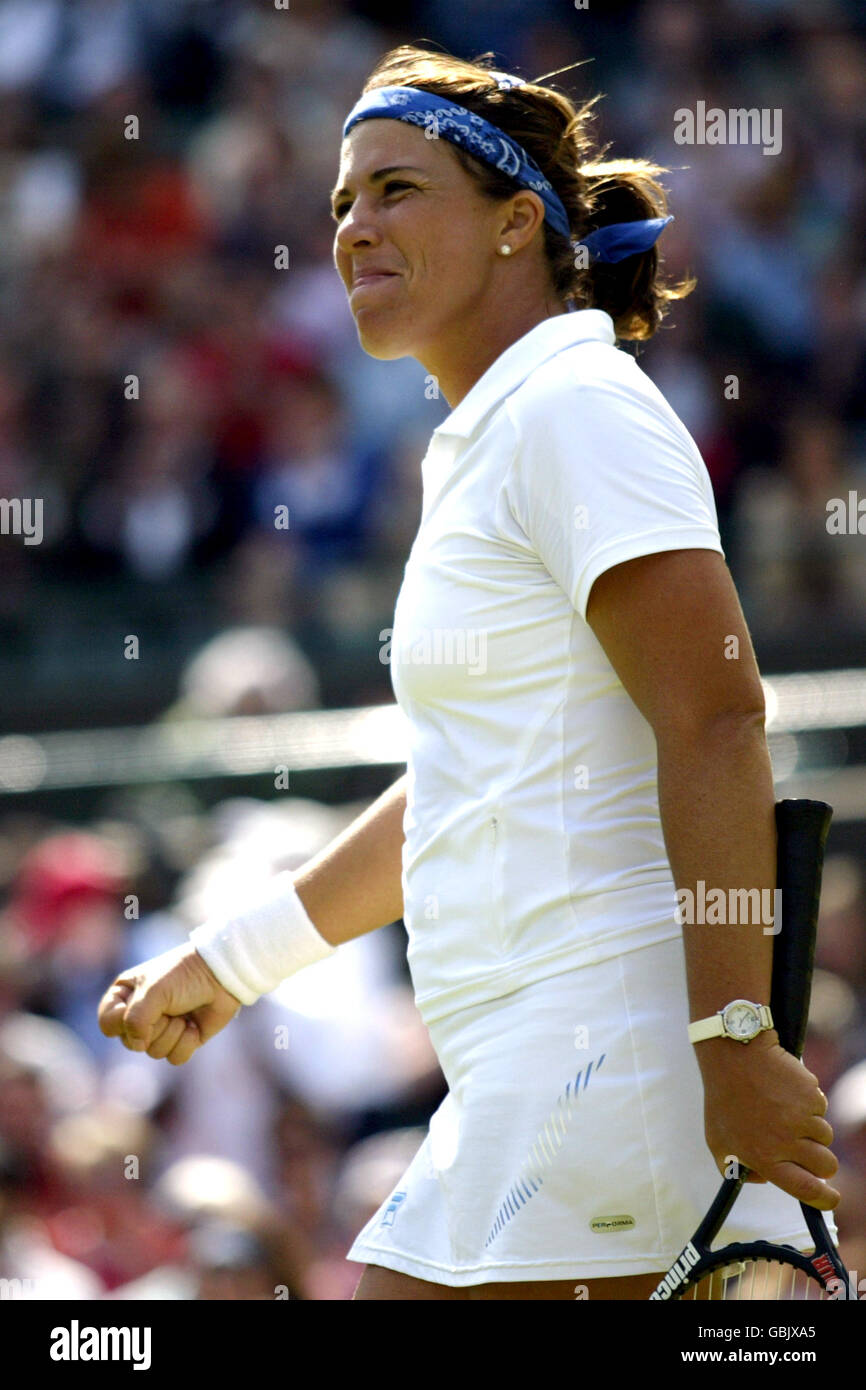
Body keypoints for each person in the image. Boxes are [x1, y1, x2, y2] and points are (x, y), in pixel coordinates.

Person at [98, 44, 839, 1301]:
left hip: (612, 1049)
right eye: (340, 202)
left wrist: (732, 1036)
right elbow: (458, 790)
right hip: (543, 1058)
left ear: (513, 226)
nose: (352, 227)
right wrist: (232, 962)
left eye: (396, 189)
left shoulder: (573, 409)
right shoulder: (490, 440)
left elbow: (715, 715)